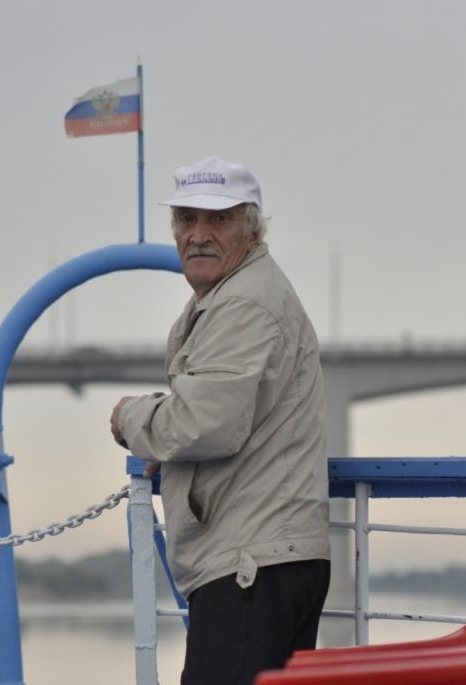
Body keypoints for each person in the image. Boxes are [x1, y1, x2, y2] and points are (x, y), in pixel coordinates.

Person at [110, 156, 330, 685]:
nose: (198, 235)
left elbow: (205, 423)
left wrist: (130, 418)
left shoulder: (245, 305)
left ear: (252, 231)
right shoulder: (236, 294)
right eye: (186, 219)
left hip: (251, 564)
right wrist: (164, 442)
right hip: (263, 558)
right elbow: (223, 409)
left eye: (219, 220)